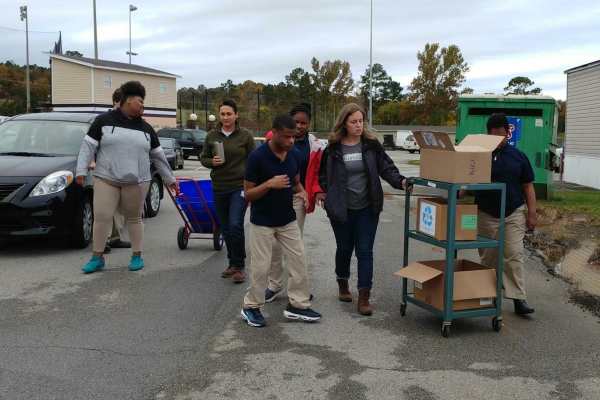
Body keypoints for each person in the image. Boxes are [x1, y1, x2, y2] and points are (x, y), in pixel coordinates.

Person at [318, 103, 410, 316]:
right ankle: (342, 281)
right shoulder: (333, 148)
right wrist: (322, 194)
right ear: (344, 123)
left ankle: (364, 294)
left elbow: (386, 167)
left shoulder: (370, 144)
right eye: (354, 122)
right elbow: (323, 174)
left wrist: (402, 182)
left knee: (365, 251)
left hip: (368, 208)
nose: (359, 125)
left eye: (361, 121)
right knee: (344, 248)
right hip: (341, 210)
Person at [75, 81, 176, 273]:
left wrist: (170, 180)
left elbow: (158, 156)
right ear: (128, 101)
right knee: (102, 217)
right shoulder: (103, 121)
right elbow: (88, 147)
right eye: (140, 101)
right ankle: (97, 257)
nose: (143, 106)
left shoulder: (147, 129)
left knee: (134, 219)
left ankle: (137, 256)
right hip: (107, 178)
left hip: (136, 181)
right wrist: (81, 170)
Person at [241, 114, 322, 327]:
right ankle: (251, 307)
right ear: (274, 133)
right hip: (262, 221)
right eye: (286, 137)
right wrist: (269, 184)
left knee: (298, 260)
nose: (291, 141)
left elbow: (295, 183)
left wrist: (302, 192)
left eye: (293, 137)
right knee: (261, 266)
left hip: (287, 219)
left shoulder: (293, 154)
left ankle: (297, 305)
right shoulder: (257, 157)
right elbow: (248, 194)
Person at [465, 113, 537, 315]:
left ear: (508, 134)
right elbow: (463, 181)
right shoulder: (477, 156)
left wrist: (532, 213)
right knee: (489, 257)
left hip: (513, 212)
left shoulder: (519, 157)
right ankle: (489, 297)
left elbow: (528, 186)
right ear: (487, 134)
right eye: (493, 138)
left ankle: (517, 298)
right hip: (486, 213)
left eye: (502, 137)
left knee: (513, 254)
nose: (498, 142)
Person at [264, 103, 326, 302]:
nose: (299, 126)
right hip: (273, 197)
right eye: (296, 122)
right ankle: (275, 284)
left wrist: (316, 192)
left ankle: (298, 288)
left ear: (309, 124)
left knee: (293, 245)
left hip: (297, 198)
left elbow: (316, 174)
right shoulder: (272, 139)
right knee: (273, 244)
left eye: (304, 123)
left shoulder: (314, 145)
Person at [201, 100, 256, 283]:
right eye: (222, 114)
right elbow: (204, 158)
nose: (225, 117)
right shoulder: (211, 135)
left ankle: (240, 266)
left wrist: (250, 181)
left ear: (236, 115)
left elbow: (253, 159)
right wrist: (211, 162)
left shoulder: (245, 135)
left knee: (235, 225)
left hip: (239, 186)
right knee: (226, 228)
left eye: (229, 114)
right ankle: (232, 264)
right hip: (218, 187)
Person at [88, 88, 130, 254]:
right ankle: (102, 240)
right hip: (103, 171)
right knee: (103, 208)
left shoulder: (128, 122)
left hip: (122, 171)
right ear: (115, 102)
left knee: (119, 207)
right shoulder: (102, 120)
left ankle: (115, 238)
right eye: (124, 103)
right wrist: (91, 161)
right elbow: (90, 143)